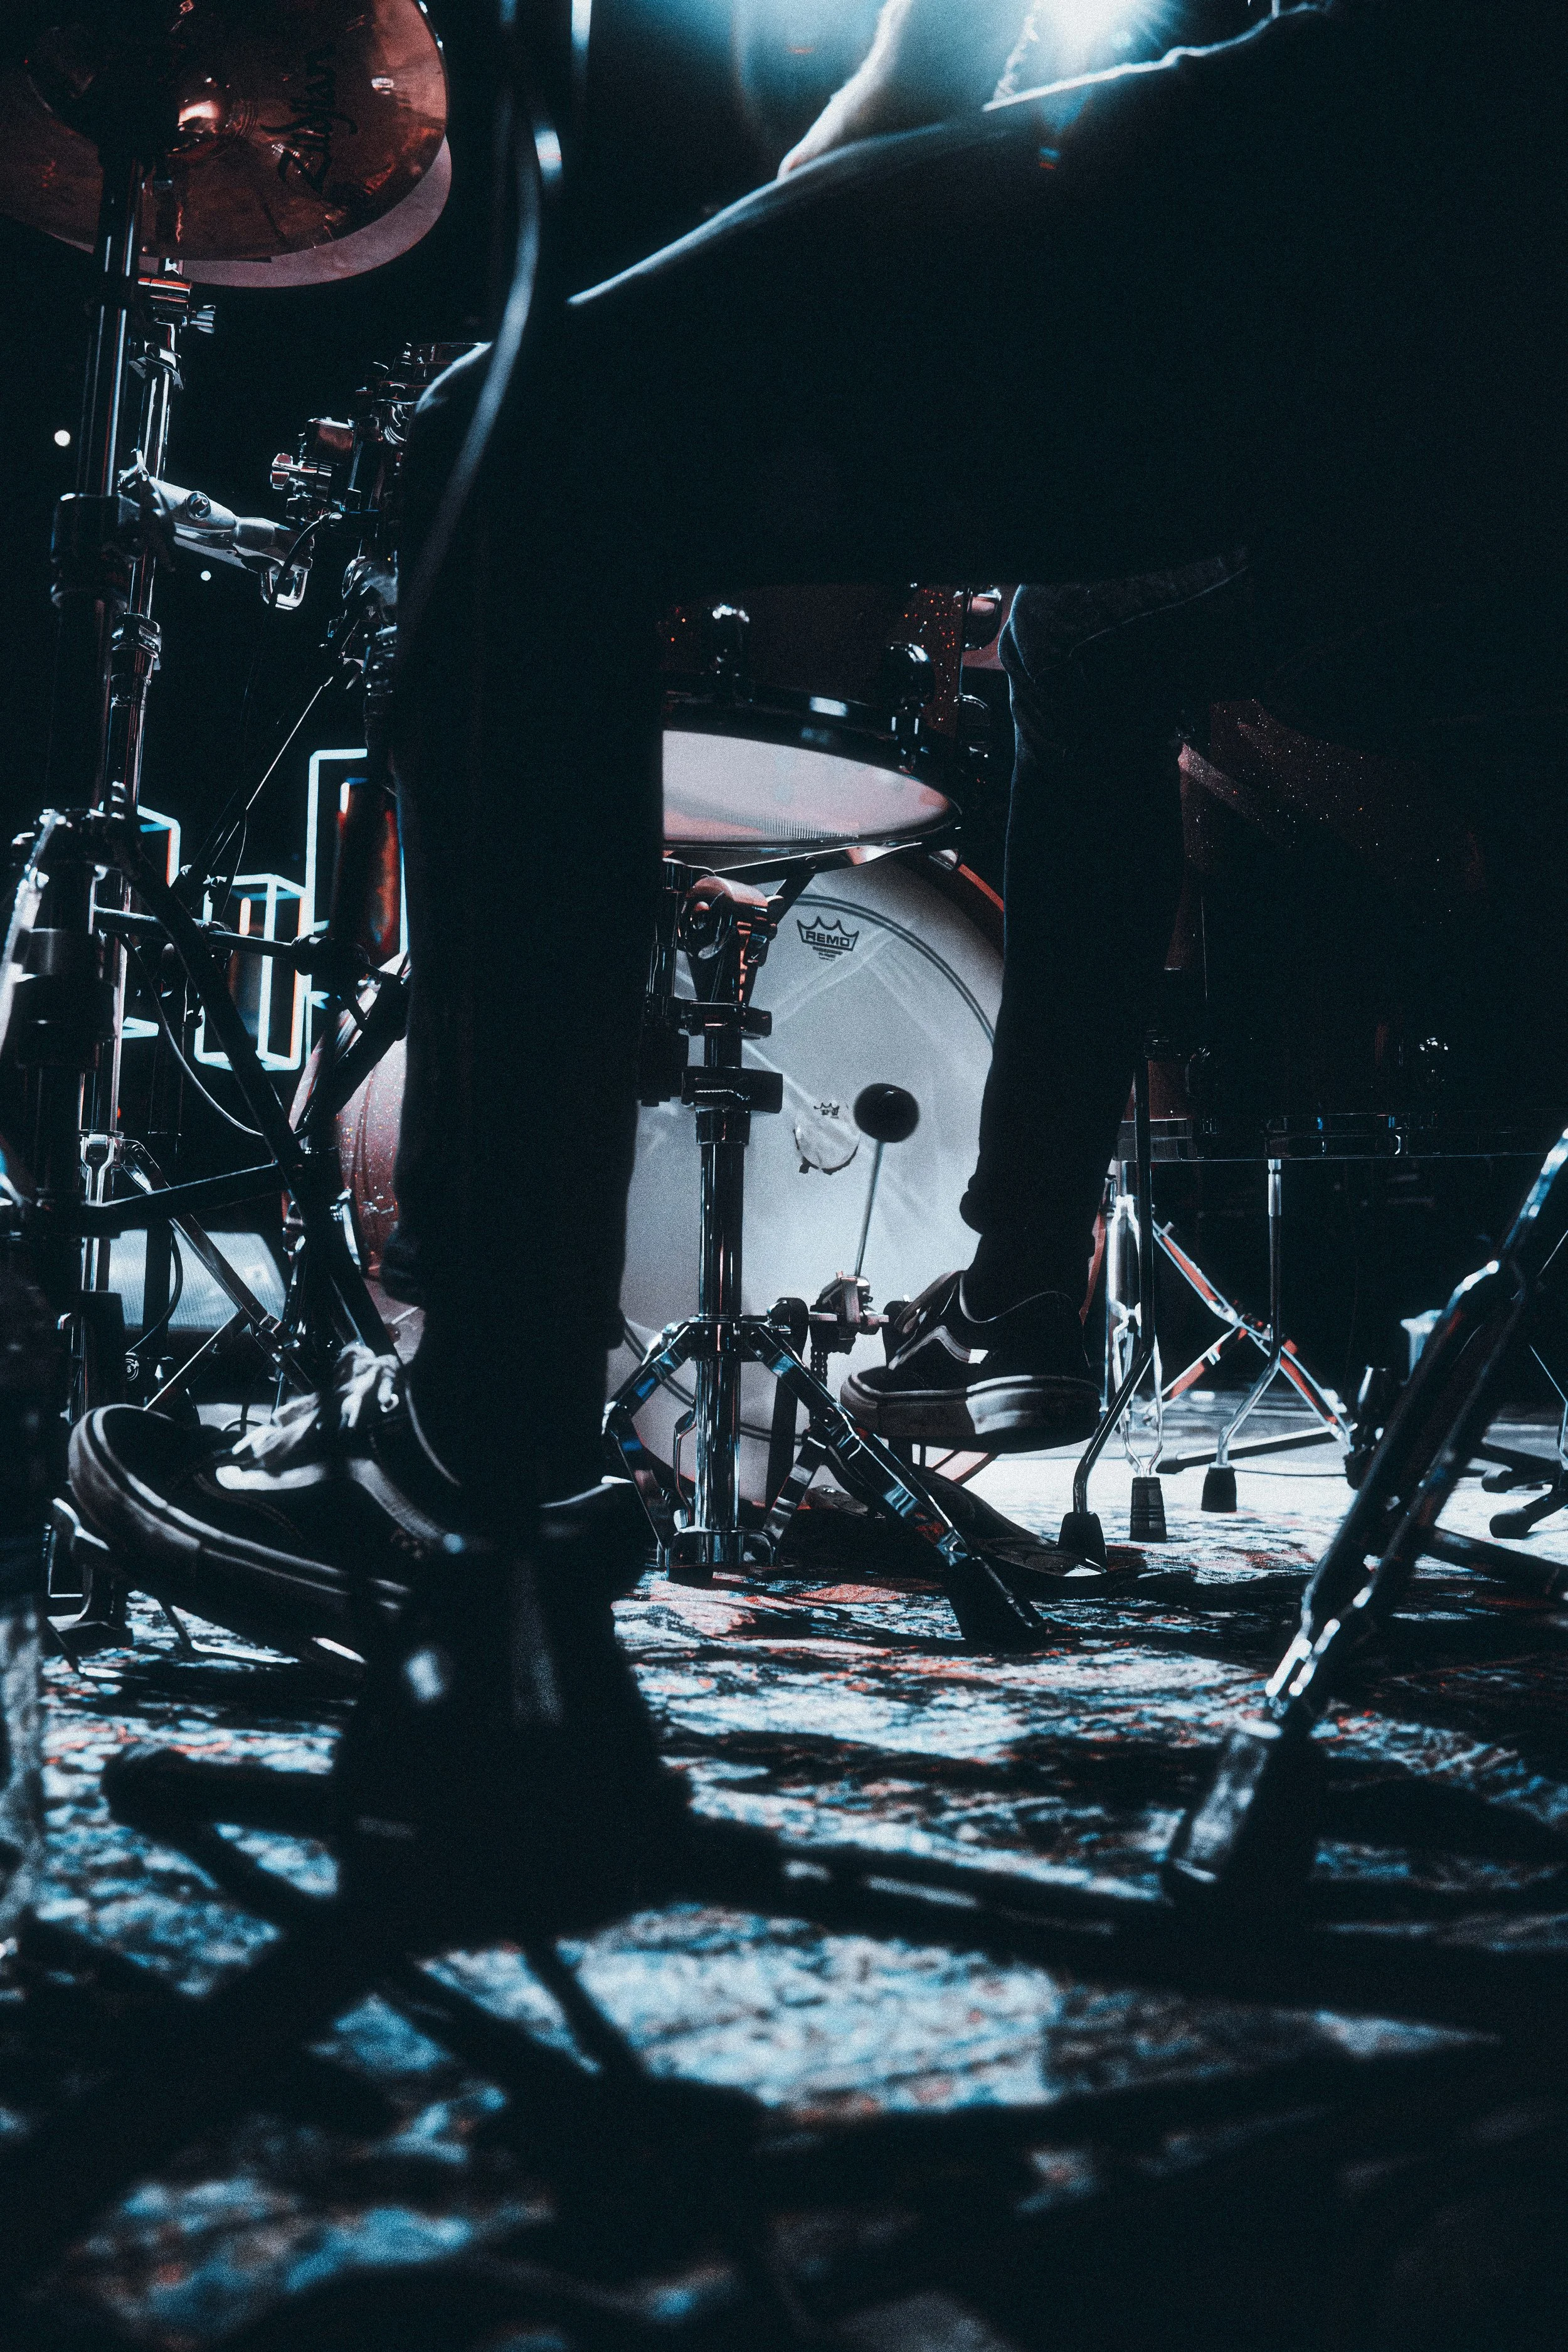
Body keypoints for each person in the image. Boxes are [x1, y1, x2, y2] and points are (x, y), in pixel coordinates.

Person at [69, 0, 1568, 1627]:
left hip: (1408, 152)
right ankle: (1019, 1298)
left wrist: (789, 276)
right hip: (1470, 280)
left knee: (513, 452)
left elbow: (934, 67)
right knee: (1086, 641)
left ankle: (471, 1455)